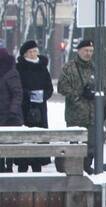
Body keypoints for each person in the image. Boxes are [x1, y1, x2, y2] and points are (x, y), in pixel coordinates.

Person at [57, 39, 96, 173]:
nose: (88, 53)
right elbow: (62, 87)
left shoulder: (95, 68)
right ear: (79, 51)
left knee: (91, 143)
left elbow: (103, 87)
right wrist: (78, 96)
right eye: (85, 50)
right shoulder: (69, 67)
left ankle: (87, 165)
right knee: (75, 142)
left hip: (92, 113)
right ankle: (74, 166)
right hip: (75, 113)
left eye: (91, 51)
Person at [15, 41, 53, 172]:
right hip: (24, 108)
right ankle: (23, 164)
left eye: (35, 51)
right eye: (30, 52)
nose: (33, 54)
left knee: (39, 136)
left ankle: (38, 164)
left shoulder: (42, 67)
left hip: (40, 109)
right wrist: (28, 94)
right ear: (25, 54)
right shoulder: (19, 68)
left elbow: (49, 87)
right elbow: (16, 87)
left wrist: (43, 95)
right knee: (24, 138)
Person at [0, 48, 22, 173]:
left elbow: (17, 93)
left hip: (9, 116)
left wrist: (12, 112)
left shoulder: (10, 73)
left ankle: (8, 167)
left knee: (7, 144)